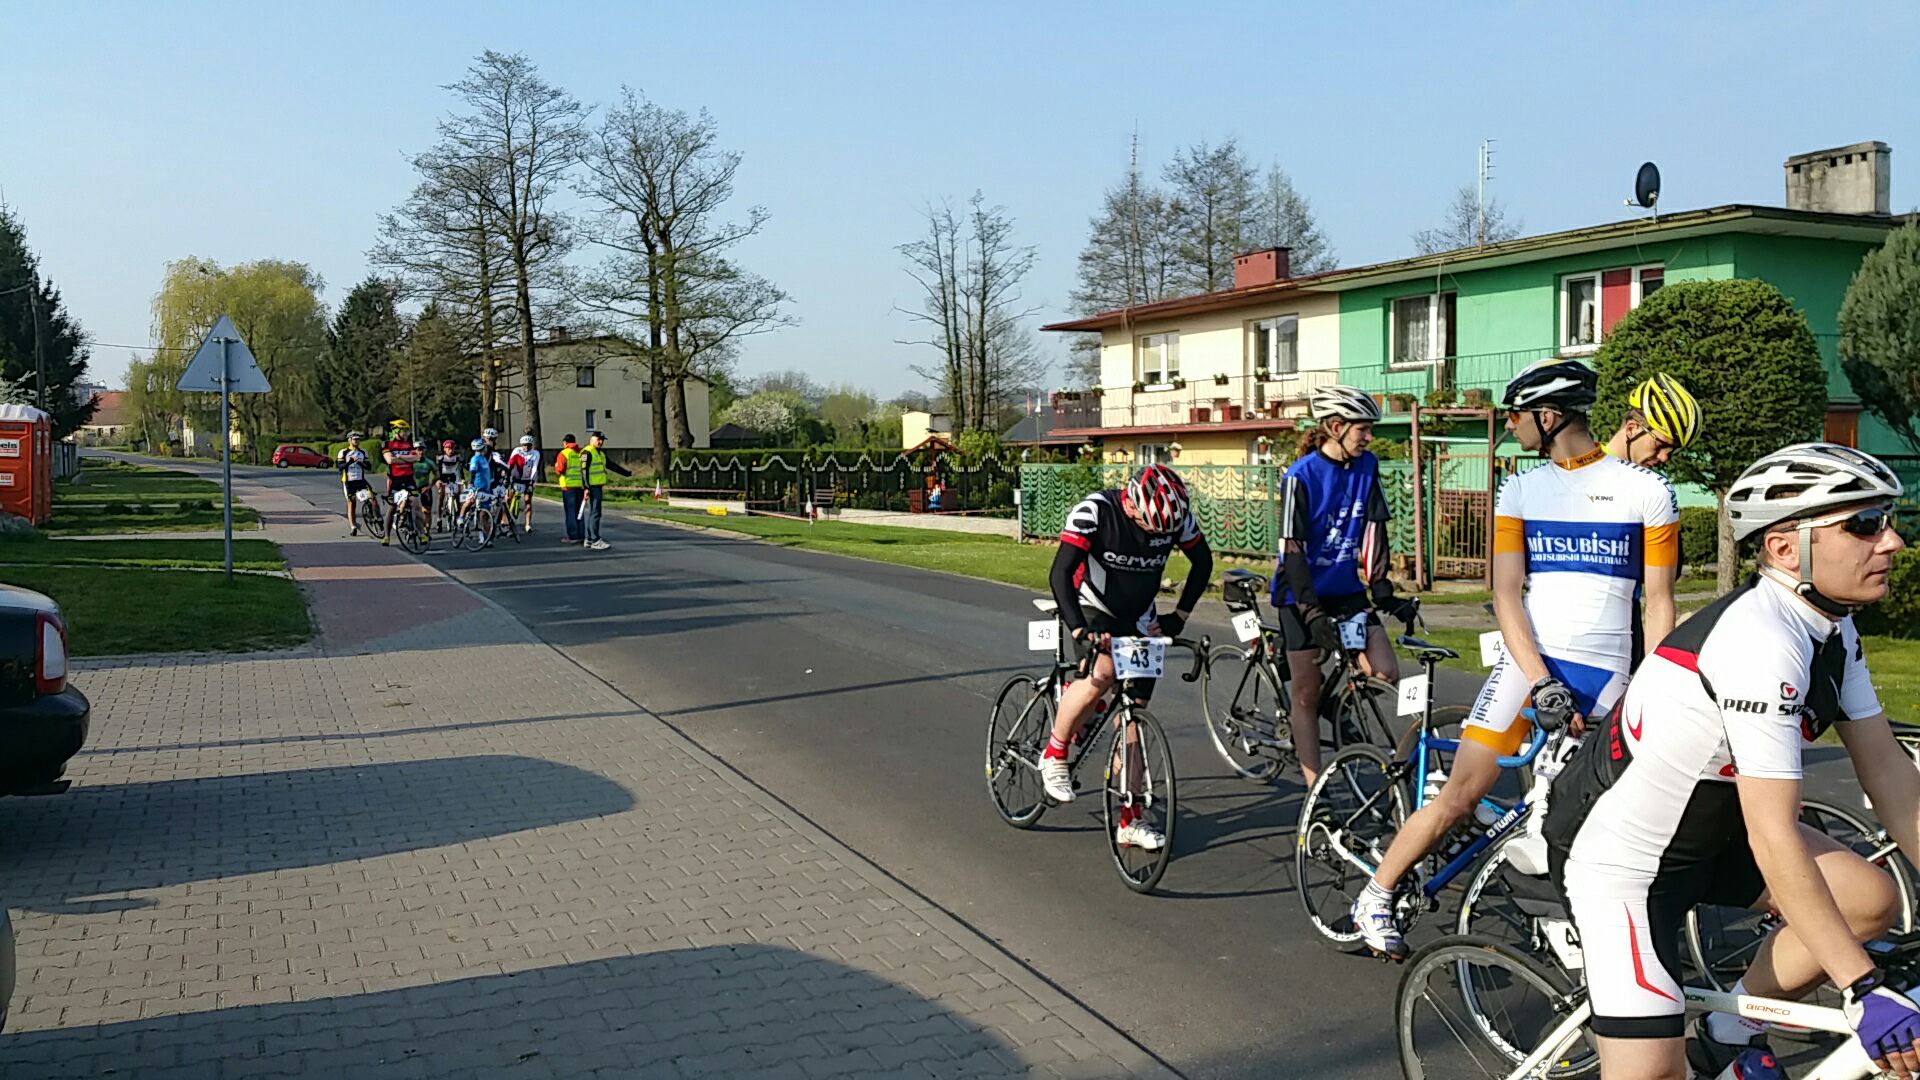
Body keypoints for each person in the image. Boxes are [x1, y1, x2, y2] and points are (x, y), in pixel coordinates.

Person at [1545, 443, 1911, 1080]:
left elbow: (1890, 774)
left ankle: (1726, 1033)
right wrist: (1860, 986)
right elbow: (1774, 834)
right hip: (1624, 861)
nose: (1893, 541)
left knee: (1868, 899)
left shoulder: (1830, 626)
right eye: (1864, 524)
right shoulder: (1760, 641)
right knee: (1652, 1073)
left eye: (1887, 519)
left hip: (1713, 832)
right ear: (1784, 548)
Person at [1350, 357, 1680, 960]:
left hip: (1606, 674)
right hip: (1529, 666)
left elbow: (1658, 603)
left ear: (1548, 417)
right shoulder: (1520, 490)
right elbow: (1506, 595)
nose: (1511, 424)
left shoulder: (1649, 492)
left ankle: (1573, 931)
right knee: (1460, 796)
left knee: (1589, 819)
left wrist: (1655, 686)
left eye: (1517, 414)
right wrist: (1539, 680)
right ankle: (1376, 893)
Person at [1042, 463, 1214, 852]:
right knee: (1103, 672)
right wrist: (1078, 630)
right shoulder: (1095, 510)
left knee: (1133, 712)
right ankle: (1055, 752)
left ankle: (1131, 818)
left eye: (1162, 534)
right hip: (1092, 605)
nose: (1154, 536)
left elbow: (1203, 562)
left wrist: (1180, 616)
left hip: (1139, 616)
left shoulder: (1175, 518)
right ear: (1131, 504)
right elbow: (1060, 573)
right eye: (1149, 528)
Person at [1272, 384, 1403, 790]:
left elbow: (1375, 527)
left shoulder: (1367, 466)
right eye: (1362, 429)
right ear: (1335, 427)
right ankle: (1316, 790)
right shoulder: (1300, 476)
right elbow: (1292, 551)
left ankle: (1339, 702)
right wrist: (1311, 614)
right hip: (1301, 593)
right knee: (1306, 694)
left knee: (1384, 671)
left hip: (1345, 589)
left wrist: (1381, 586)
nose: (1369, 437)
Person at [1606, 373, 1701, 469]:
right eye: (1660, 445)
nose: (1664, 458)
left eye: (1672, 450)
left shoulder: (1647, 478)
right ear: (1632, 429)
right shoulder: (1596, 471)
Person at [579, 430, 631, 551]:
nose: (600, 442)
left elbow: (611, 465)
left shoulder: (600, 454)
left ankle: (589, 539)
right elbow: (584, 471)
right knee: (595, 513)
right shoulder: (587, 452)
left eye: (602, 440)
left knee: (593, 512)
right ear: (592, 440)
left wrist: (626, 473)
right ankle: (595, 540)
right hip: (592, 487)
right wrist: (586, 487)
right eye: (598, 440)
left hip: (597, 486)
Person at [379, 419, 421, 547]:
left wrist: (400, 457)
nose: (406, 434)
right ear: (396, 432)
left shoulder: (409, 444)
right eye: (404, 431)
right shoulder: (387, 444)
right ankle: (386, 536)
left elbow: (416, 457)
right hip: (395, 480)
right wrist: (407, 460)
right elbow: (390, 460)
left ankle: (422, 533)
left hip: (408, 479)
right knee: (392, 507)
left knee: (415, 504)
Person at [459, 437, 496, 548]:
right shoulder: (475, 459)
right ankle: (460, 517)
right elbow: (473, 472)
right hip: (477, 487)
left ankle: (486, 537)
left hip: (486, 489)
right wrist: (471, 484)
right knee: (470, 501)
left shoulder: (484, 458)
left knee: (484, 514)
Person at [336, 431, 372, 536]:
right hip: (349, 481)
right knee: (352, 503)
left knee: (372, 498)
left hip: (360, 480)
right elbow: (340, 467)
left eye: (358, 439)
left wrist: (361, 463)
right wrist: (350, 462)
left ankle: (375, 517)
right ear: (349, 440)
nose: (357, 441)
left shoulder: (363, 452)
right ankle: (353, 526)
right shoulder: (343, 452)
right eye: (355, 439)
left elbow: (369, 467)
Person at [553, 434, 584, 545]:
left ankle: (573, 536)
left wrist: (556, 466)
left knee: (570, 512)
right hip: (580, 486)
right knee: (579, 512)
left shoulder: (564, 453)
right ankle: (581, 535)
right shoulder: (580, 453)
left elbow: (559, 470)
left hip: (568, 486)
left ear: (565, 443)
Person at [507, 435, 542, 534]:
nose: (526, 447)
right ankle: (505, 521)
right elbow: (510, 464)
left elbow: (535, 467)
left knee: (528, 502)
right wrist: (507, 476)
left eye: (528, 445)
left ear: (531, 445)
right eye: (524, 445)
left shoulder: (535, 453)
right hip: (516, 478)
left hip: (528, 480)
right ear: (521, 445)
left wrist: (532, 481)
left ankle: (527, 524)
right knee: (508, 499)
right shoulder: (517, 451)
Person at [432, 439, 463, 530]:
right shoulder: (441, 458)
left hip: (454, 477)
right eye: (448, 448)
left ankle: (458, 517)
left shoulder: (457, 457)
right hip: (443, 478)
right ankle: (439, 519)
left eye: (452, 448)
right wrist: (438, 480)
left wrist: (462, 479)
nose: (450, 450)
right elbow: (438, 470)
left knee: (458, 496)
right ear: (444, 449)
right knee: (441, 496)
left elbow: (460, 469)